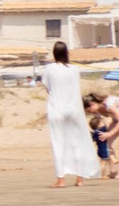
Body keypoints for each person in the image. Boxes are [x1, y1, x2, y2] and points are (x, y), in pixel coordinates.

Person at [39, 41, 99, 188]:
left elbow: (48, 88)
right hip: (74, 109)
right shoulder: (74, 69)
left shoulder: (50, 68)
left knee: (58, 143)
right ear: (66, 53)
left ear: (54, 53)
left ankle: (61, 179)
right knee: (77, 143)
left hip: (57, 108)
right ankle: (80, 178)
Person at [85, 91, 119, 180]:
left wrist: (110, 133)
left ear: (92, 104)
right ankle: (113, 171)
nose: (90, 113)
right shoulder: (97, 109)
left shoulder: (109, 104)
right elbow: (109, 120)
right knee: (106, 143)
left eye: (89, 111)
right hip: (117, 120)